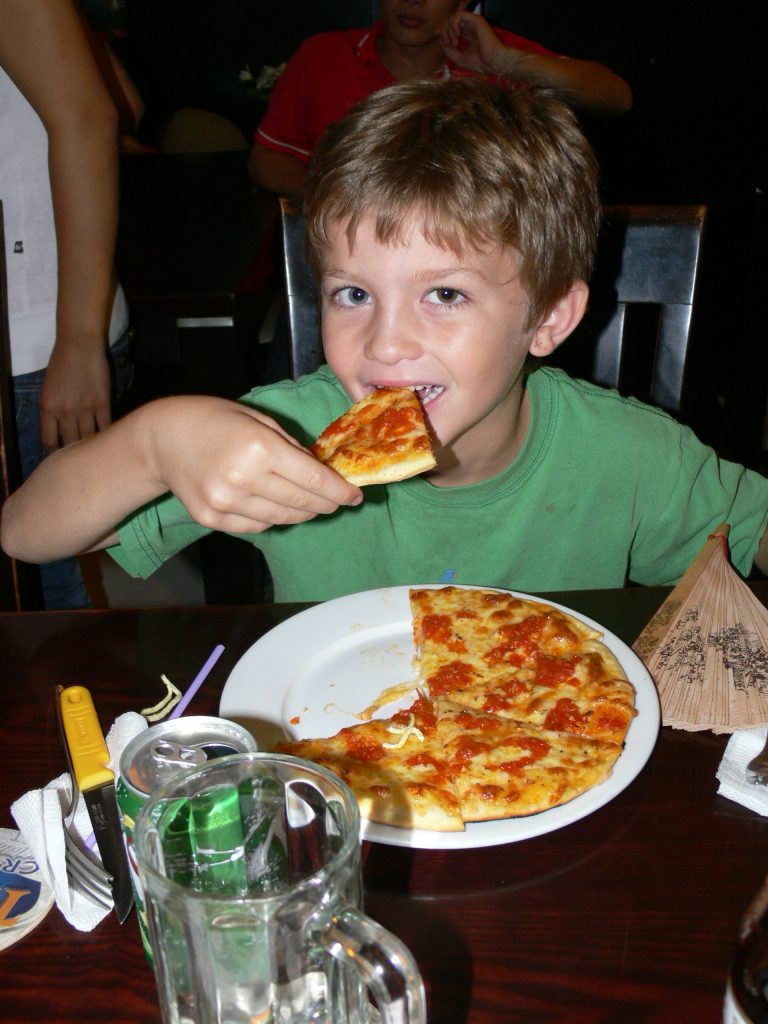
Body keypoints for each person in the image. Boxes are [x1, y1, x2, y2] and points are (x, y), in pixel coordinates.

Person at [1, 78, 766, 603]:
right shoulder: (288, 437)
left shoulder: (631, 458)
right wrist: (155, 443)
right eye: (353, 294)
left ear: (549, 321)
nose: (386, 344)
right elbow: (24, 533)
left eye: (444, 294)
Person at [0, 0, 137, 608]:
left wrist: (79, 344)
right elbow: (122, 101)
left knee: (38, 603)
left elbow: (91, 116)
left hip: (31, 340)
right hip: (40, 330)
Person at [250, 0, 632, 200]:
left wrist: (507, 63)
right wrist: (347, 198)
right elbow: (266, 160)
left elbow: (616, 99)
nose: (412, 0)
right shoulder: (323, 55)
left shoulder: (490, 53)